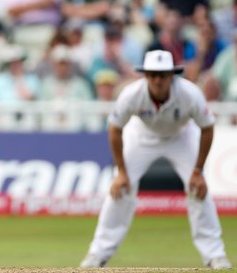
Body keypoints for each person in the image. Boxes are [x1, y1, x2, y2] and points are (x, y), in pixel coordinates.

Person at [80, 50, 232, 270]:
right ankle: (97, 254)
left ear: (172, 76)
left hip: (181, 136)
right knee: (119, 189)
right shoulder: (132, 94)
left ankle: (215, 256)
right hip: (141, 136)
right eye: (152, 75)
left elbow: (207, 128)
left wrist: (198, 171)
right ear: (145, 76)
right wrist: (122, 172)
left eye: (162, 75)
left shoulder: (190, 94)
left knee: (198, 190)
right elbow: (115, 130)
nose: (157, 80)